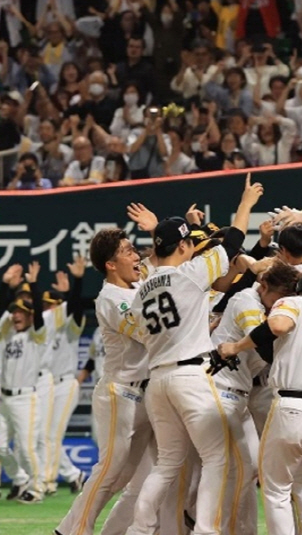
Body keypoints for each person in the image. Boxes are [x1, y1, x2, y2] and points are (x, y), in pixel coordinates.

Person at [125, 175, 262, 535]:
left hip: (157, 381)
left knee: (167, 465)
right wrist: (245, 204)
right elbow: (233, 241)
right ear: (184, 246)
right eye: (187, 242)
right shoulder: (191, 273)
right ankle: (205, 531)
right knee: (217, 460)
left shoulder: (142, 289)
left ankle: (140, 530)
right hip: (191, 377)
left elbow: (137, 329)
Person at [219, 272, 302, 535]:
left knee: (276, 488)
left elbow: (279, 326)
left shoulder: (294, 302)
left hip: (293, 406)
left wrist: (236, 347)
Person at [54, 228, 152, 535]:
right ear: (110, 264)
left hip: (146, 393)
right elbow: (146, 332)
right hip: (119, 391)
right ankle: (74, 531)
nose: (136, 256)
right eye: (127, 252)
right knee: (109, 469)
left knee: (128, 476)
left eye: (134, 249)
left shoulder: (140, 287)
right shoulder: (111, 297)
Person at [210, 261, 300, 535]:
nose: (278, 305)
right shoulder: (247, 300)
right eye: (277, 297)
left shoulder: (265, 302)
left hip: (237, 393)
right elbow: (263, 343)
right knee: (226, 469)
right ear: (264, 286)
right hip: (219, 390)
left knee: (244, 469)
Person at [0, 262, 46, 503]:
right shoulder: (6, 334)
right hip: (3, 399)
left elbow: (38, 313)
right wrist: (7, 286)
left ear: (30, 315)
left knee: (27, 449)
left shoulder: (35, 335)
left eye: (21, 312)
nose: (16, 315)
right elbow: (4, 311)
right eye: (14, 311)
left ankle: (37, 488)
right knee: (0, 447)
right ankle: (19, 479)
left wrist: (35, 284)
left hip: (25, 398)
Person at [42, 256, 87, 496]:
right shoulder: (43, 326)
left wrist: (76, 284)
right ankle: (73, 474)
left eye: (54, 304)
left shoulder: (70, 325)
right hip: (48, 385)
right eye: (48, 304)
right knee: (45, 435)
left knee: (51, 435)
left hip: (66, 384)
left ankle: (49, 482)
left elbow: (75, 309)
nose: (50, 308)